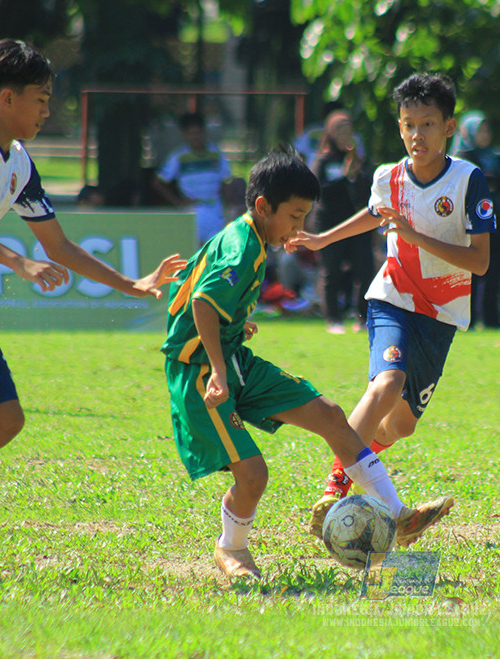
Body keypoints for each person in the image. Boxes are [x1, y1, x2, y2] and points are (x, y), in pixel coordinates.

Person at [0, 39, 186, 527]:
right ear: (7, 99)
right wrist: (18, 262)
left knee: (6, 420)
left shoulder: (19, 162)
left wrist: (131, 285)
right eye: (41, 98)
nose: (48, 111)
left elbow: (59, 246)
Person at [161, 147, 454, 579]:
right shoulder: (243, 246)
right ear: (263, 207)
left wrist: (236, 327)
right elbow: (204, 302)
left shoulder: (252, 240)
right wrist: (219, 370)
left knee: (332, 416)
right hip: (203, 372)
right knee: (254, 475)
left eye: (304, 219)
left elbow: (202, 291)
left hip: (231, 357)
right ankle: (232, 549)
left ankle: (398, 515)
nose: (299, 228)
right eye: (295, 217)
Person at [288, 73, 493, 538]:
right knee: (387, 382)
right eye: (408, 125)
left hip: (441, 315)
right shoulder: (389, 177)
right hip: (393, 298)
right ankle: (333, 491)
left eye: (427, 124)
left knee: (400, 426)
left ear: (449, 127)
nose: (417, 135)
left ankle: (391, 512)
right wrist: (322, 237)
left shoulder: (467, 181)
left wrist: (414, 235)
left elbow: (479, 263)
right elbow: (375, 214)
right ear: (399, 127)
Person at [310, 110, 375, 334]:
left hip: (356, 224)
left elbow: (368, 192)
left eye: (349, 130)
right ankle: (333, 319)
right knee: (331, 272)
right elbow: (320, 192)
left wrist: (356, 175)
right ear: (330, 133)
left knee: (365, 270)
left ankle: (362, 317)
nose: (345, 135)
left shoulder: (360, 161)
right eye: (340, 130)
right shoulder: (323, 161)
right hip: (329, 223)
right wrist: (344, 177)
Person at [451, 111, 500, 330]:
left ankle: (492, 319)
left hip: (496, 220)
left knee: (494, 269)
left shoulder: (496, 155)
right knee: (471, 271)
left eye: (487, 130)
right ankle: (468, 319)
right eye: (480, 130)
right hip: (471, 221)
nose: (485, 134)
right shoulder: (460, 156)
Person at [153, 111, 235, 247]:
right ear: (185, 135)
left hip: (216, 208)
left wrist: (227, 207)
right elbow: (158, 182)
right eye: (191, 133)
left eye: (198, 132)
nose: (195, 137)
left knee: (218, 250)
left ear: (204, 132)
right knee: (199, 250)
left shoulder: (216, 154)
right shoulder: (179, 157)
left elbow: (225, 181)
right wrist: (179, 202)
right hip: (194, 210)